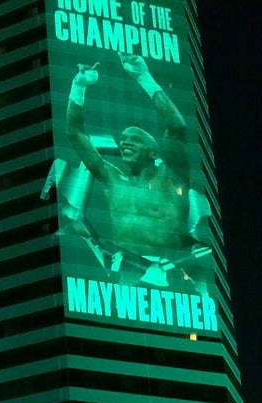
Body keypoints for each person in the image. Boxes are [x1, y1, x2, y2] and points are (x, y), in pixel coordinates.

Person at [62, 52, 201, 288]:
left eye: (134, 139)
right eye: (123, 139)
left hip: (172, 275)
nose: (125, 142)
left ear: (154, 153)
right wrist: (79, 86)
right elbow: (75, 134)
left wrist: (143, 76)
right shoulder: (113, 179)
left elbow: (177, 125)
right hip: (127, 275)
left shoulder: (171, 178)